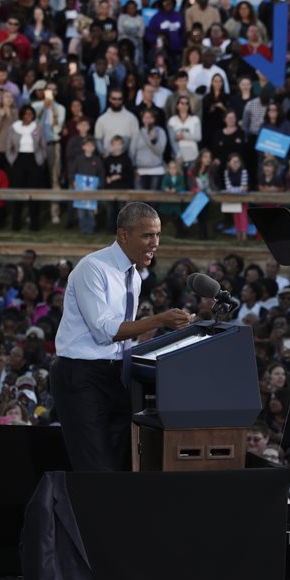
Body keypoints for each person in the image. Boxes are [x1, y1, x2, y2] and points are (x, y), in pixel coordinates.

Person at [52, 202, 194, 471]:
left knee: (121, 463)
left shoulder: (134, 276)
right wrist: (161, 319)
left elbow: (125, 334)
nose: (155, 243)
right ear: (123, 235)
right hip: (81, 374)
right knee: (96, 467)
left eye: (158, 235)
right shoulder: (92, 268)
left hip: (117, 374)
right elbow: (105, 330)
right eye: (147, 235)